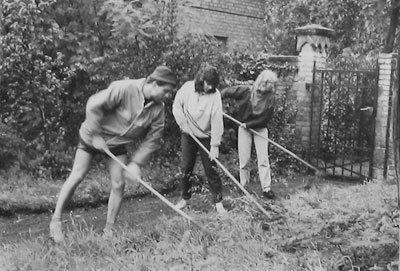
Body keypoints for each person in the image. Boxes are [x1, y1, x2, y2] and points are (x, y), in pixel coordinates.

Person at [49, 66, 177, 243]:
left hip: (117, 145)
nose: (167, 95)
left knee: (119, 183)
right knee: (78, 174)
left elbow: (153, 139)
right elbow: (93, 105)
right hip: (92, 135)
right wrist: (95, 134)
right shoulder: (125, 88)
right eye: (166, 91)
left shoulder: (158, 108)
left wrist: (136, 164)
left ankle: (109, 231)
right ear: (154, 84)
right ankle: (55, 221)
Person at [172, 64, 227, 214]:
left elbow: (216, 119)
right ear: (200, 79)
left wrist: (215, 145)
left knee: (211, 169)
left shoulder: (215, 96)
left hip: (205, 137)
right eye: (207, 84)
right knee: (186, 167)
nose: (209, 87)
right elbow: (177, 106)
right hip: (188, 134)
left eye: (212, 85)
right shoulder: (187, 88)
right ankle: (185, 198)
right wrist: (183, 124)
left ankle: (218, 202)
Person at [221, 69, 278, 199]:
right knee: (244, 160)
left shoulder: (271, 98)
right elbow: (228, 91)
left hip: (260, 128)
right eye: (270, 84)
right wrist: (216, 99)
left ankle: (266, 188)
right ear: (263, 83)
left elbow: (265, 119)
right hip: (244, 129)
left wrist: (248, 125)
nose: (271, 87)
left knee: (263, 160)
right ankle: (244, 186)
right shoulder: (246, 91)